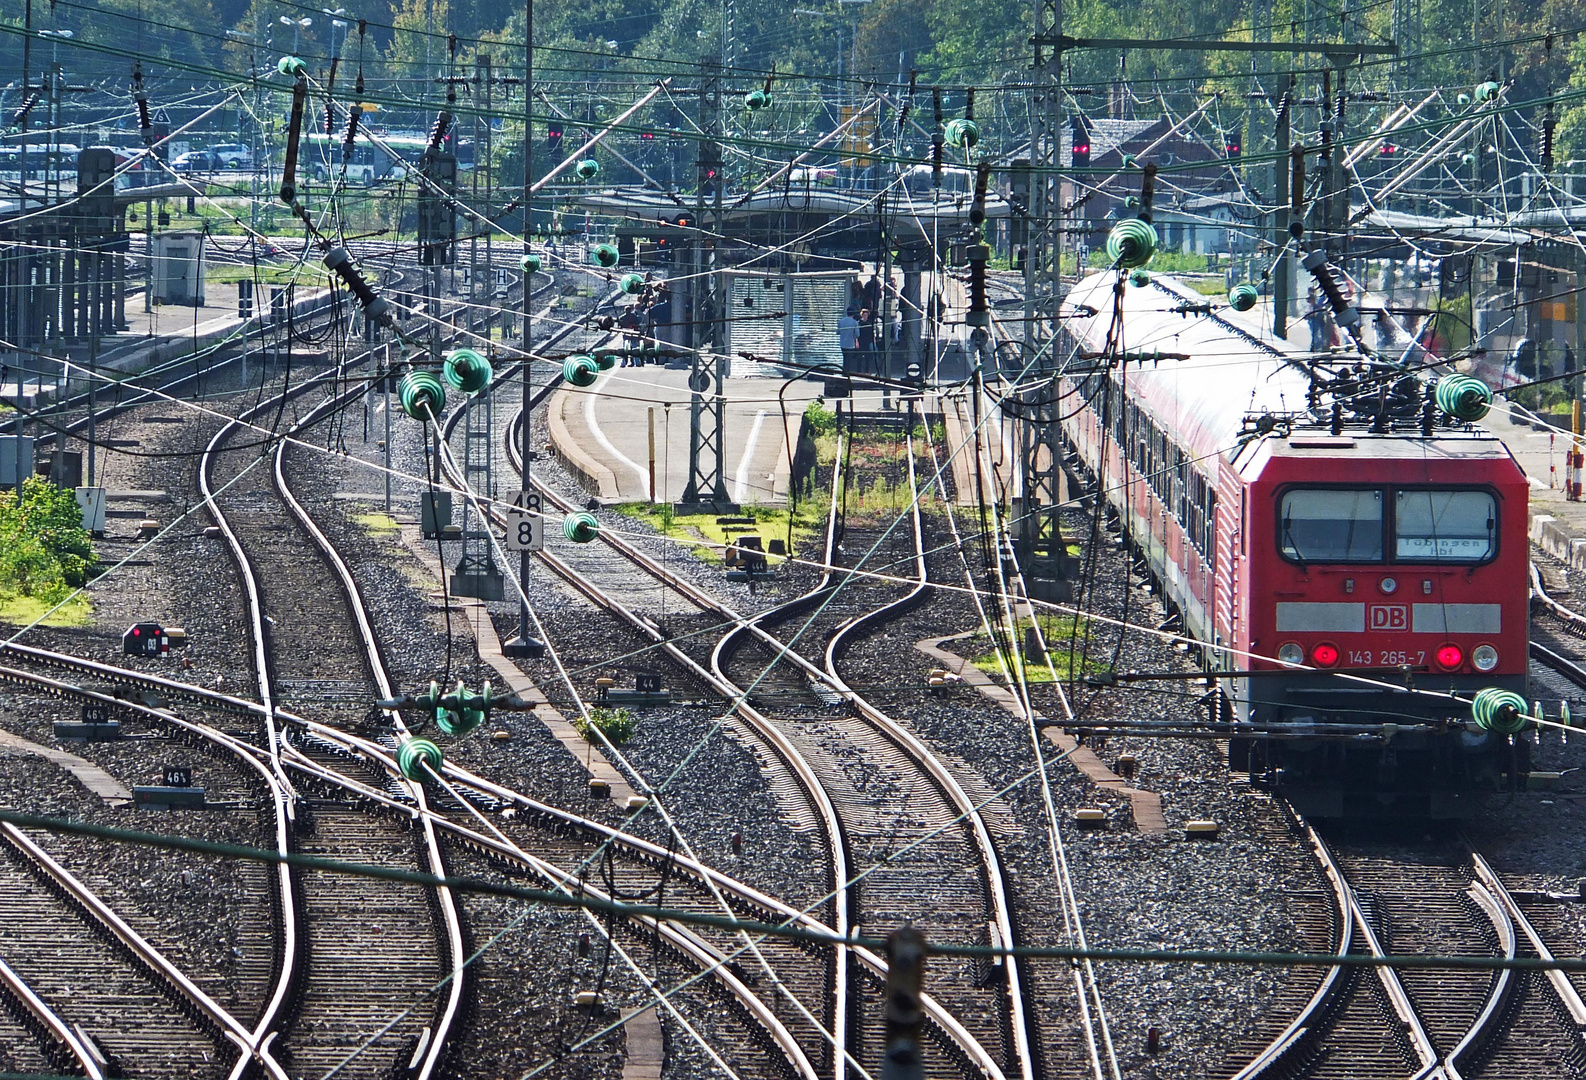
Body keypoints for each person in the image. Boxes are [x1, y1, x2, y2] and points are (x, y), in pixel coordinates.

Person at [857, 308, 877, 373]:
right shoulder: (859, 323)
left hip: (868, 341)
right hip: (861, 341)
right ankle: (859, 371)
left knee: (867, 357)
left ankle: (867, 371)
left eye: (866, 315)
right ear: (861, 315)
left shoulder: (869, 322)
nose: (865, 316)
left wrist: (873, 339)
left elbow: (872, 332)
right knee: (859, 357)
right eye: (864, 315)